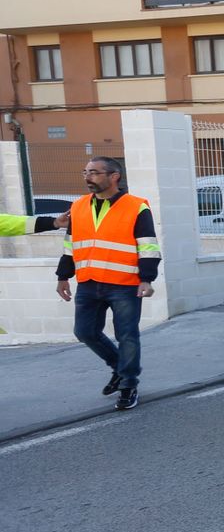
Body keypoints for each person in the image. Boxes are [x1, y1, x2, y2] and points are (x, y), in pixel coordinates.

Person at [56, 157, 161, 412]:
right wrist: (63, 277)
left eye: (94, 172)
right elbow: (71, 245)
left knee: (127, 335)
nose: (88, 177)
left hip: (124, 283)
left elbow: (147, 245)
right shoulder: (78, 206)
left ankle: (128, 384)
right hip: (89, 282)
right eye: (85, 172)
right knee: (84, 332)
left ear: (114, 176)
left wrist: (147, 279)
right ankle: (119, 367)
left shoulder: (136, 207)